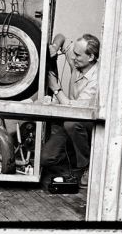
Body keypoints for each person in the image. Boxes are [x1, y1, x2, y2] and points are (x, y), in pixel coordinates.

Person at [40, 33, 100, 187]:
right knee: (46, 159)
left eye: (78, 55)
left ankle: (88, 165)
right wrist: (55, 46)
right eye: (73, 53)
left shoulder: (96, 81)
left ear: (91, 57)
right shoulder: (78, 63)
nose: (72, 58)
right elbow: (62, 37)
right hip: (69, 121)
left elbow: (75, 110)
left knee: (72, 123)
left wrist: (55, 88)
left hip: (86, 124)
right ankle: (74, 155)